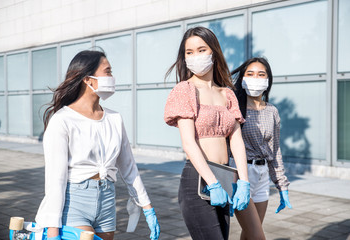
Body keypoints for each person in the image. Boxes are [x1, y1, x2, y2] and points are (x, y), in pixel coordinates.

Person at [35, 50, 160, 240]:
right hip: (74, 200)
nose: (112, 77)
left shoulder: (115, 118)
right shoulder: (62, 120)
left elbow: (128, 167)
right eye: (108, 71)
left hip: (107, 199)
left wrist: (147, 206)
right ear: (88, 79)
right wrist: (52, 230)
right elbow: (55, 179)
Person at [164, 26, 251, 240]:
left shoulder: (228, 93)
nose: (195, 56)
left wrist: (243, 182)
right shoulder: (184, 90)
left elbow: (237, 141)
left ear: (214, 52)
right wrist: (212, 183)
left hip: (225, 176)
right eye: (189, 52)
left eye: (201, 50)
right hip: (198, 178)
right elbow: (189, 143)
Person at [230, 57, 292, 240]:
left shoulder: (272, 110)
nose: (255, 78)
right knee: (258, 236)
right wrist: (231, 180)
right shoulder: (234, 107)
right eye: (250, 73)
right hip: (240, 175)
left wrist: (282, 185)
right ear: (242, 78)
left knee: (249, 234)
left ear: (267, 80)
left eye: (261, 74)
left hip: (262, 174)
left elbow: (275, 150)